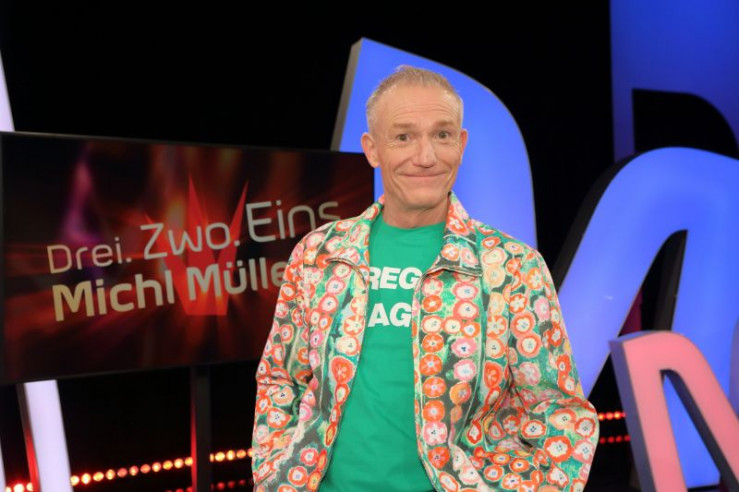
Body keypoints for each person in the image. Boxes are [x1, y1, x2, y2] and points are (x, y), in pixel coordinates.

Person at [252, 66, 598, 491]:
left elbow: (557, 410)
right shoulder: (319, 255)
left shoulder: (511, 267)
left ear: (461, 144)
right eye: (403, 136)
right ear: (372, 149)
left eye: (442, 134)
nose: (426, 156)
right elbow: (281, 379)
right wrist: (275, 474)